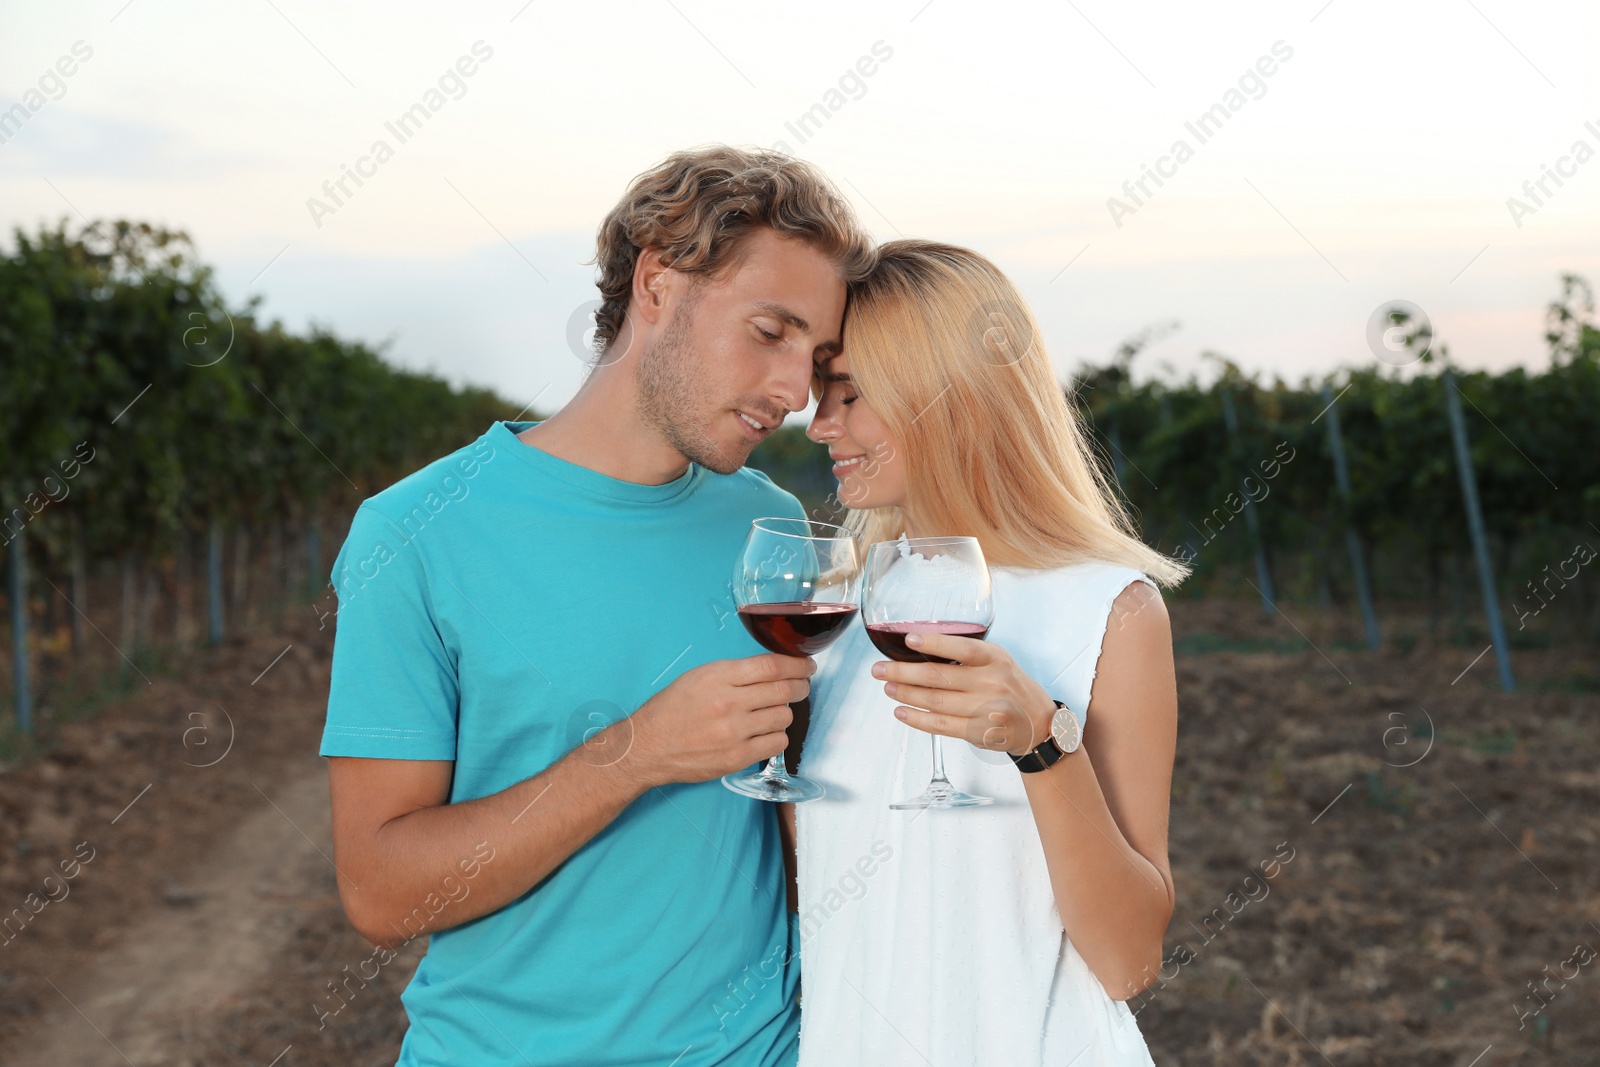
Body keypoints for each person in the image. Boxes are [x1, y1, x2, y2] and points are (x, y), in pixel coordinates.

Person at [318, 145, 875, 1066]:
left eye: (815, 358)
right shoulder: (415, 532)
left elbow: (799, 817)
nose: (792, 390)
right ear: (660, 282)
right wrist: (633, 755)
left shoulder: (774, 527)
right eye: (769, 331)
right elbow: (380, 892)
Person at [793, 240, 1188, 1065]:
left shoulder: (1109, 607)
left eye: (851, 395)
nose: (820, 424)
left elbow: (1128, 959)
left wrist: (1043, 744)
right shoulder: (829, 613)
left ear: (943, 395)